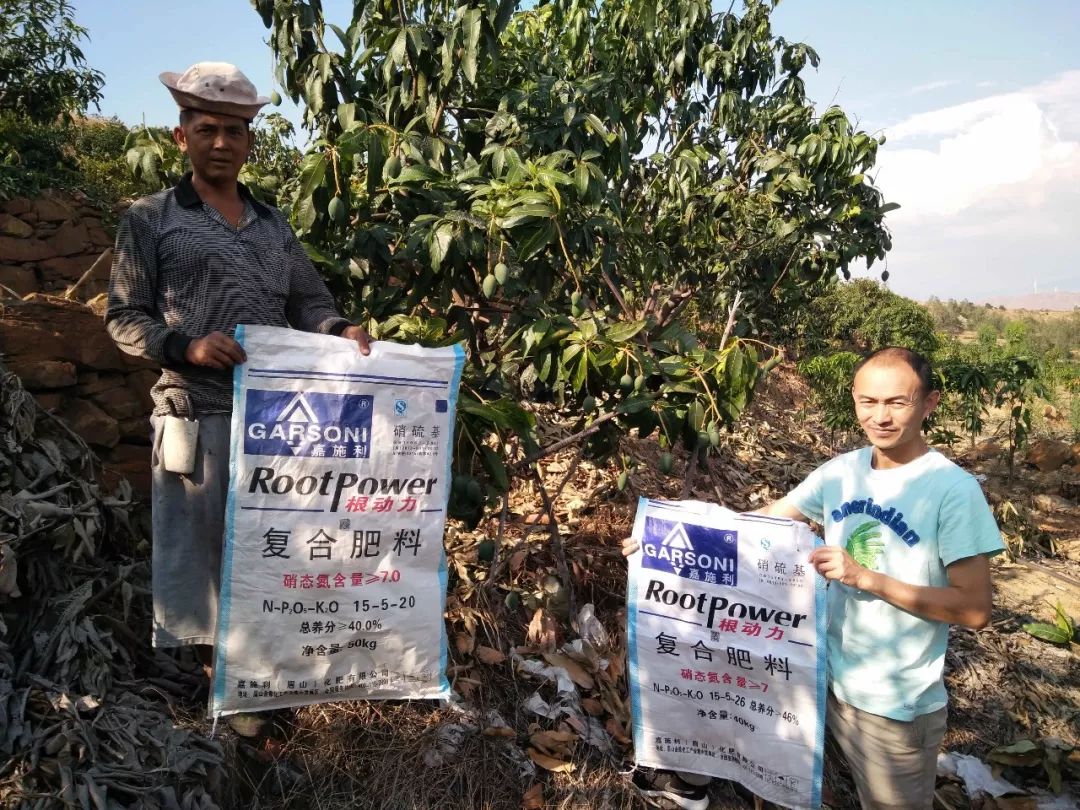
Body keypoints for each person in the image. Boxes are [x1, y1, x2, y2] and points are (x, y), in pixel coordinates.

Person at [624, 347, 1003, 810]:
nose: (879, 417)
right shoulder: (842, 472)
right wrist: (665, 546)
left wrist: (866, 578)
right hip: (815, 670)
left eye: (896, 403)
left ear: (929, 404)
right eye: (868, 401)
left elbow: (974, 608)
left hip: (892, 701)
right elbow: (759, 525)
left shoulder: (953, 491)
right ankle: (685, 782)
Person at [105, 62, 371, 666]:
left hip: (278, 418)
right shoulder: (151, 219)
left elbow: (308, 300)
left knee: (269, 546)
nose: (221, 142)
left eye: (234, 130)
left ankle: (274, 667)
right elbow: (122, 316)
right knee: (201, 551)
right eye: (206, 129)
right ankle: (217, 681)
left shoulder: (272, 223)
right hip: (198, 411)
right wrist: (185, 345)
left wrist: (338, 329)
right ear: (182, 137)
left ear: (250, 140)